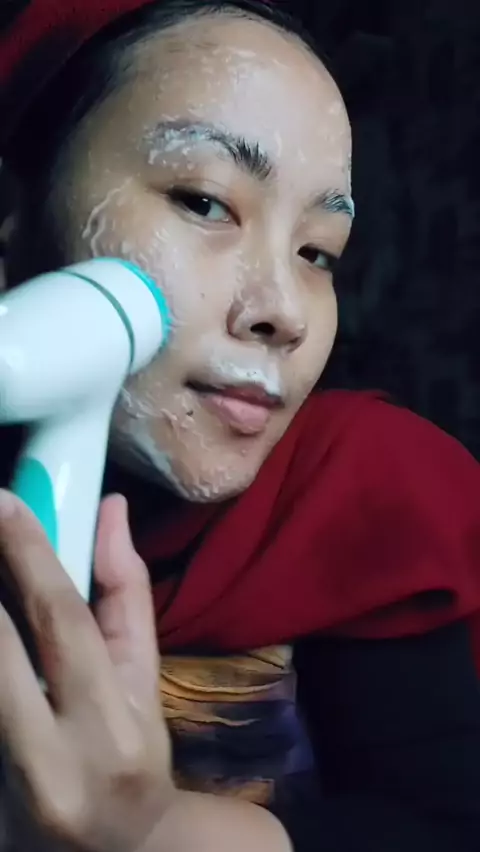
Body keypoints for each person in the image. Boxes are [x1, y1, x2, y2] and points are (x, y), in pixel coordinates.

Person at [1, 1, 480, 850]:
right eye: (205, 202)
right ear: (16, 210)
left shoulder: (360, 492)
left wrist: (151, 833)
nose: (284, 311)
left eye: (318, 252)